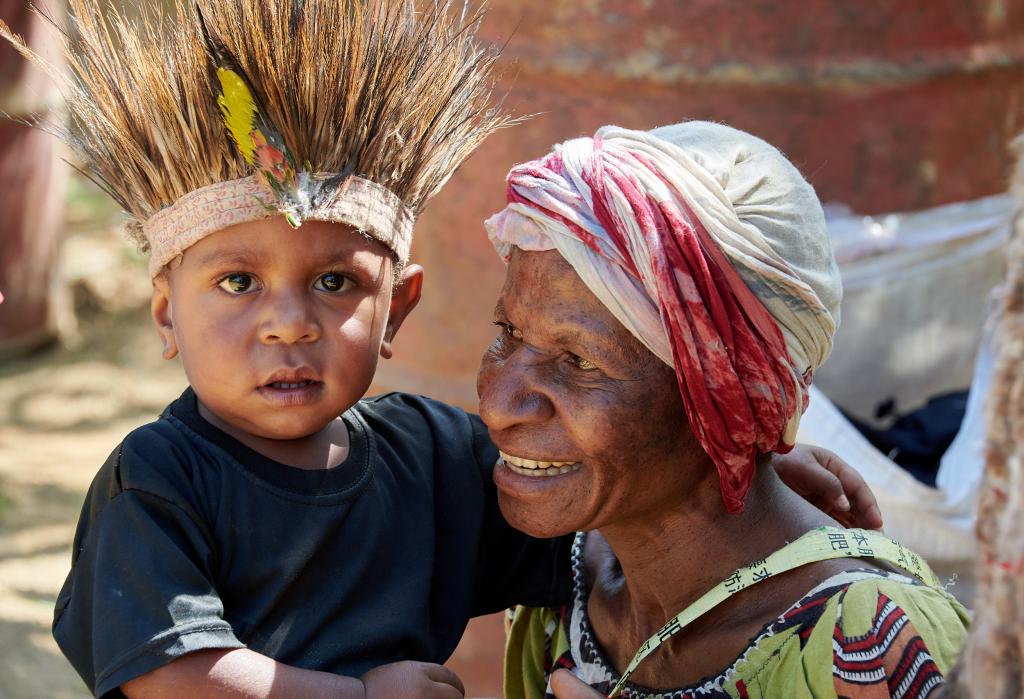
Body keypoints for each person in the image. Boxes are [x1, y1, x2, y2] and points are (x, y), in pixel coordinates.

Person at [5, 1, 881, 696]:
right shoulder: (155, 481)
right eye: (237, 283)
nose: (289, 323)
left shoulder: (432, 456)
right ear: (165, 314)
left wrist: (734, 468)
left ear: (399, 309)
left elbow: (603, 515)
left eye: (336, 283)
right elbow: (172, 675)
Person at [481, 122, 970, 699]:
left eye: (579, 361)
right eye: (508, 332)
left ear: (730, 404)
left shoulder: (865, 645)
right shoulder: (564, 572)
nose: (497, 405)